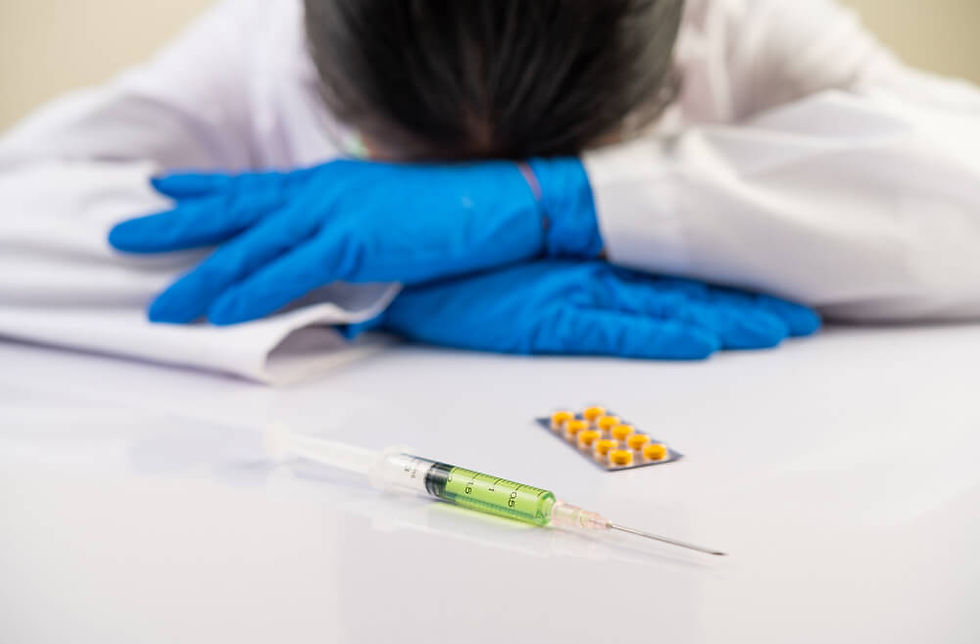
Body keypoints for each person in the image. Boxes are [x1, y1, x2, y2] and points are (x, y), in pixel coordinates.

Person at [0, 0, 978, 382]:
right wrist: (378, 286)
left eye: (561, 146)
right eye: (420, 169)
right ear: (319, 70)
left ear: (668, 64)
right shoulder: (261, 48)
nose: (463, 203)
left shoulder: (740, 30)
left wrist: (562, 202)